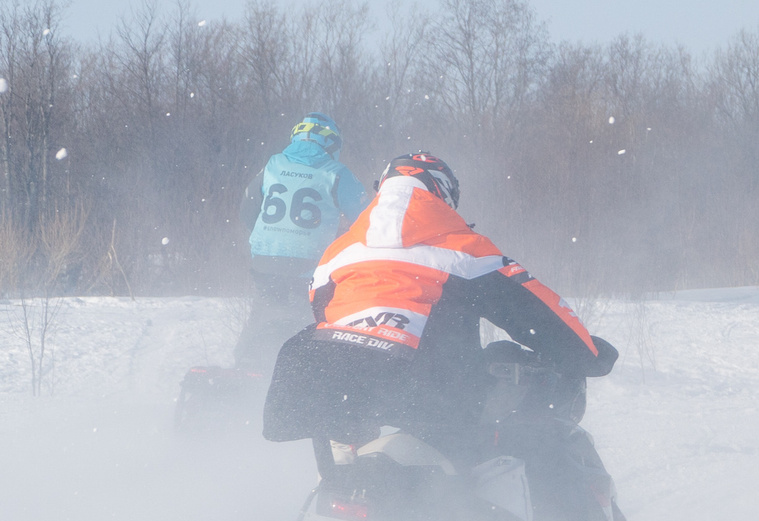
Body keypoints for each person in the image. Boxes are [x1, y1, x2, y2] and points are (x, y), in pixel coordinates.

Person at [261, 152, 618, 473]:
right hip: (419, 386)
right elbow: (534, 312)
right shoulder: (463, 250)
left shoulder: (337, 253)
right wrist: (588, 354)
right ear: (443, 195)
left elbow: (322, 310)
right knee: (478, 446)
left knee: (344, 468)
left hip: (319, 372)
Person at [236, 114, 367, 371]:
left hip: (265, 260)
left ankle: (246, 360)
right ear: (332, 144)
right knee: (305, 318)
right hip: (309, 265)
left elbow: (246, 211)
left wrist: (273, 239)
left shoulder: (273, 165)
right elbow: (365, 221)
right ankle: (305, 369)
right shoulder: (337, 174)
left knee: (266, 306)